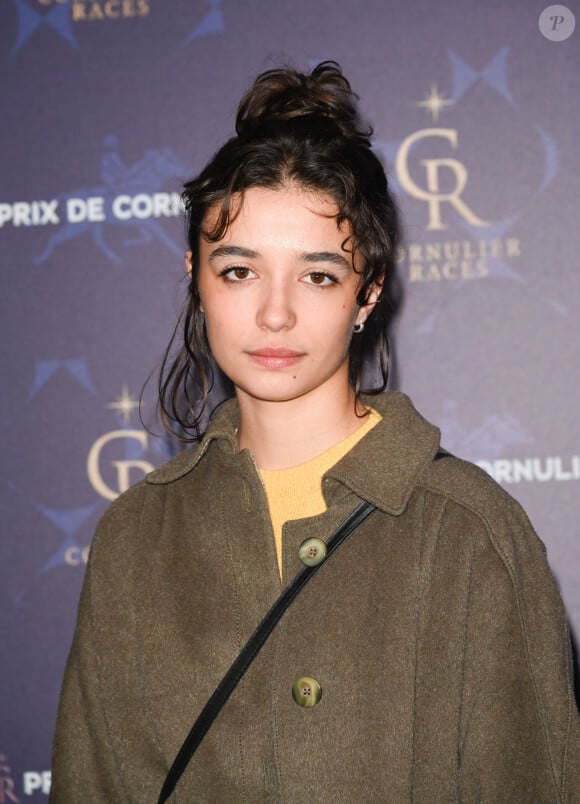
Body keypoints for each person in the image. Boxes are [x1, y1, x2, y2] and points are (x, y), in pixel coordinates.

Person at [50, 62, 579, 803]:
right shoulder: (134, 536)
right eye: (238, 271)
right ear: (196, 279)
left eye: (319, 275)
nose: (275, 314)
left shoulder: (469, 532)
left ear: (369, 292)